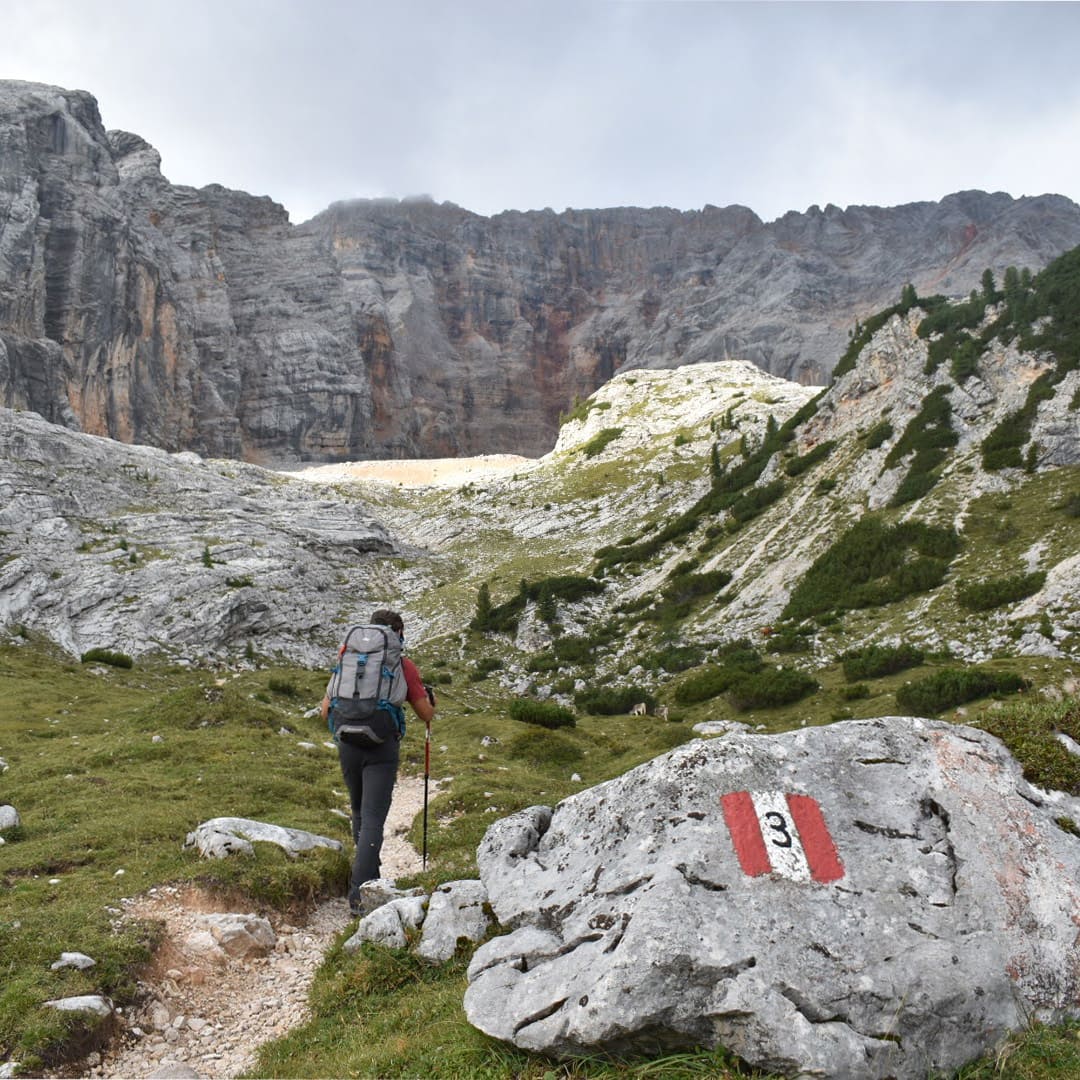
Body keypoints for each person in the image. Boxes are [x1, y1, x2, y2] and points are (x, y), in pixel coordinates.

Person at [320, 609, 435, 915]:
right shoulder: (401, 664)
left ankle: (368, 874)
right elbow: (426, 714)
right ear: (399, 634)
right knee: (373, 817)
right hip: (381, 746)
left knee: (358, 810)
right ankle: (360, 896)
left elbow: (324, 711)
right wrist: (429, 700)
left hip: (347, 741)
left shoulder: (347, 660)